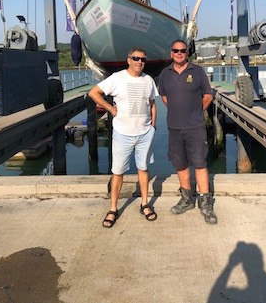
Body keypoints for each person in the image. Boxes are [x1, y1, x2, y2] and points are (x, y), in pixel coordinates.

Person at [88, 47, 158, 228]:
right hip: (122, 134)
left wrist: (153, 127)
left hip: (144, 134)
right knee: (118, 172)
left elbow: (152, 104)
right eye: (135, 58)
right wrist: (111, 109)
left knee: (143, 169)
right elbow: (93, 93)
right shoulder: (117, 78)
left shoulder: (148, 80)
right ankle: (113, 208)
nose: (139, 62)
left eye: (143, 59)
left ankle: (144, 204)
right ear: (129, 60)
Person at [158, 39, 217, 224]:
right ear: (171, 53)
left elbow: (208, 95)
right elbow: (164, 96)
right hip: (174, 127)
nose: (179, 53)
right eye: (176, 50)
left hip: (195, 127)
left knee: (200, 164)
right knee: (180, 164)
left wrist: (196, 112)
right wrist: (178, 111)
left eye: (183, 50)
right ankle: (186, 199)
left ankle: (205, 203)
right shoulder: (165, 73)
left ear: (187, 53)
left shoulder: (197, 71)